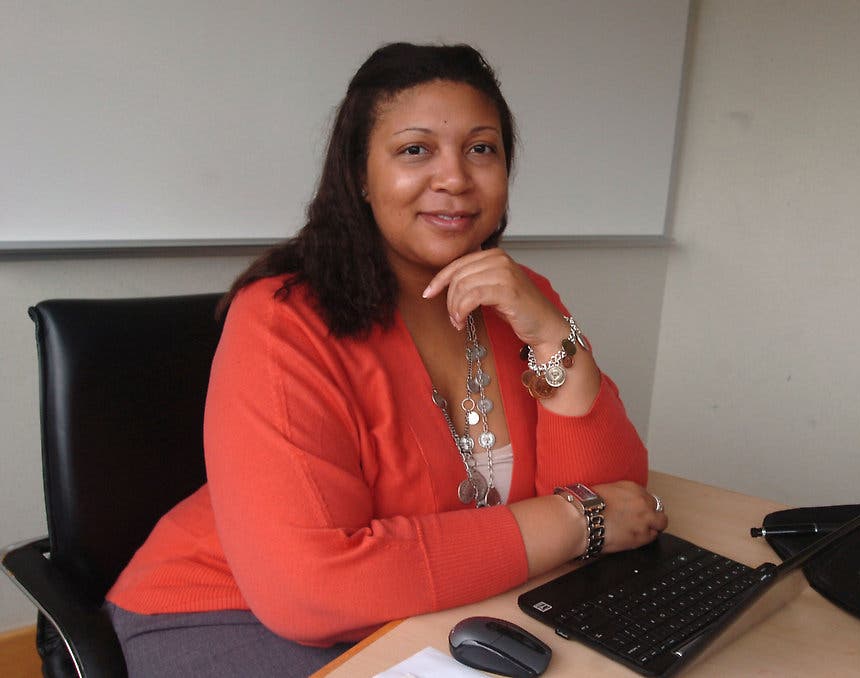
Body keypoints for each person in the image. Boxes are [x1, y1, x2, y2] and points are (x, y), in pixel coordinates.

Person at [104, 42, 667, 677]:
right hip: (225, 611)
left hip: (433, 608)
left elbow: (619, 500)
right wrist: (576, 521)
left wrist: (551, 336)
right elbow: (310, 591)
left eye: (482, 149)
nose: (455, 177)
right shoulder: (281, 319)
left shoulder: (520, 299)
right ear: (360, 176)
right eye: (415, 150)